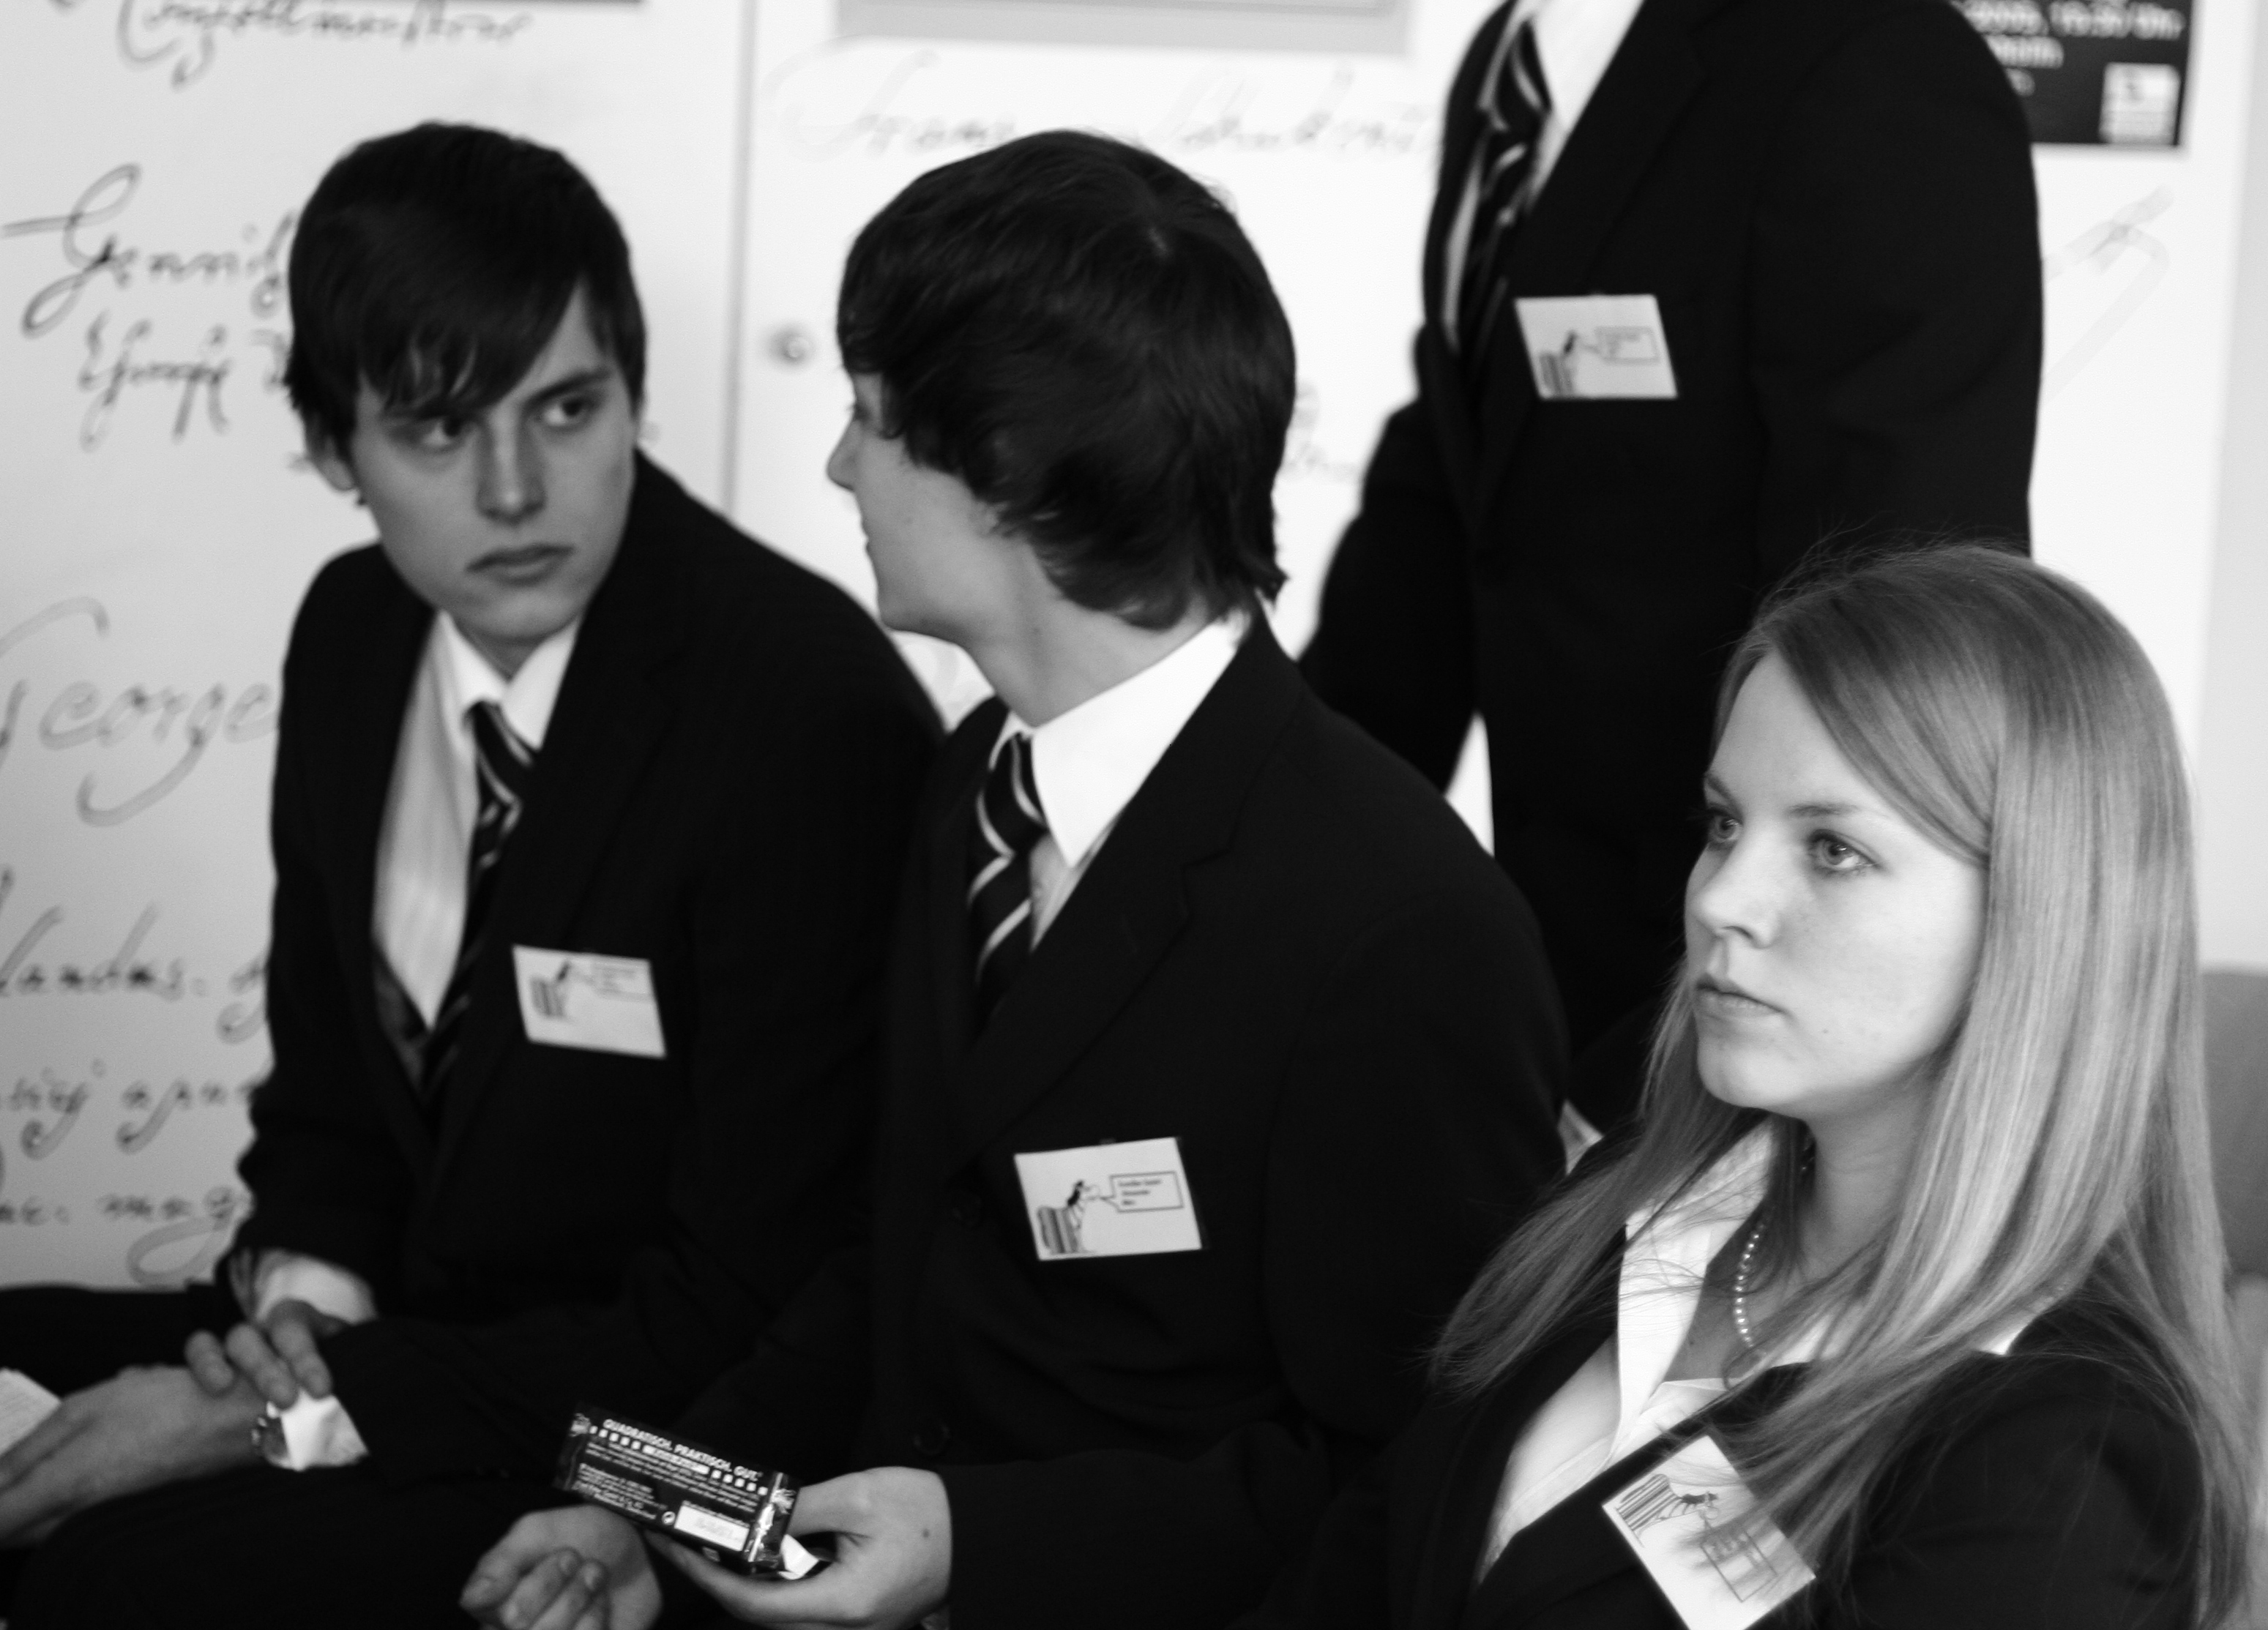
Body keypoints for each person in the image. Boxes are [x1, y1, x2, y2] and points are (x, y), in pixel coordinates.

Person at [460, 130, 1567, 1630]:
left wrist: (975, 1547)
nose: (839, 466)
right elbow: (900, 1264)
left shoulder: (1404, 928)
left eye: (870, 418)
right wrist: (651, 1509)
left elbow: (1413, 1486)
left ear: (1007, 471)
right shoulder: (976, 784)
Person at [0, 121, 939, 1626]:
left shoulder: (800, 712)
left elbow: (745, 1305)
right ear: (334, 449)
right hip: (405, 1356)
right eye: (439, 430)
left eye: (566, 408)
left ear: (631, 395)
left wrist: (285, 1422)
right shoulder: (354, 633)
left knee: (112, 1579)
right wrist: (301, 1321)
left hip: (668, 1451)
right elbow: (330, 1105)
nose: (515, 489)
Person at [1266, 546, 2250, 1629]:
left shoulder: (2065, 1465)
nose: (1720, 899)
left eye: (1832, 849)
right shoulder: (1638, 1205)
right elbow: (1368, 1562)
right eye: (1725, 825)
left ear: (2040, 915)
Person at [1302, 0, 2043, 1131]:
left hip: (1734, 1026)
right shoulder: (1511, 64)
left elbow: (1901, 635)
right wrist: (1264, 854)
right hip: (1547, 987)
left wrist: (1664, 1067)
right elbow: (1452, 495)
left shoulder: (1868, 56)